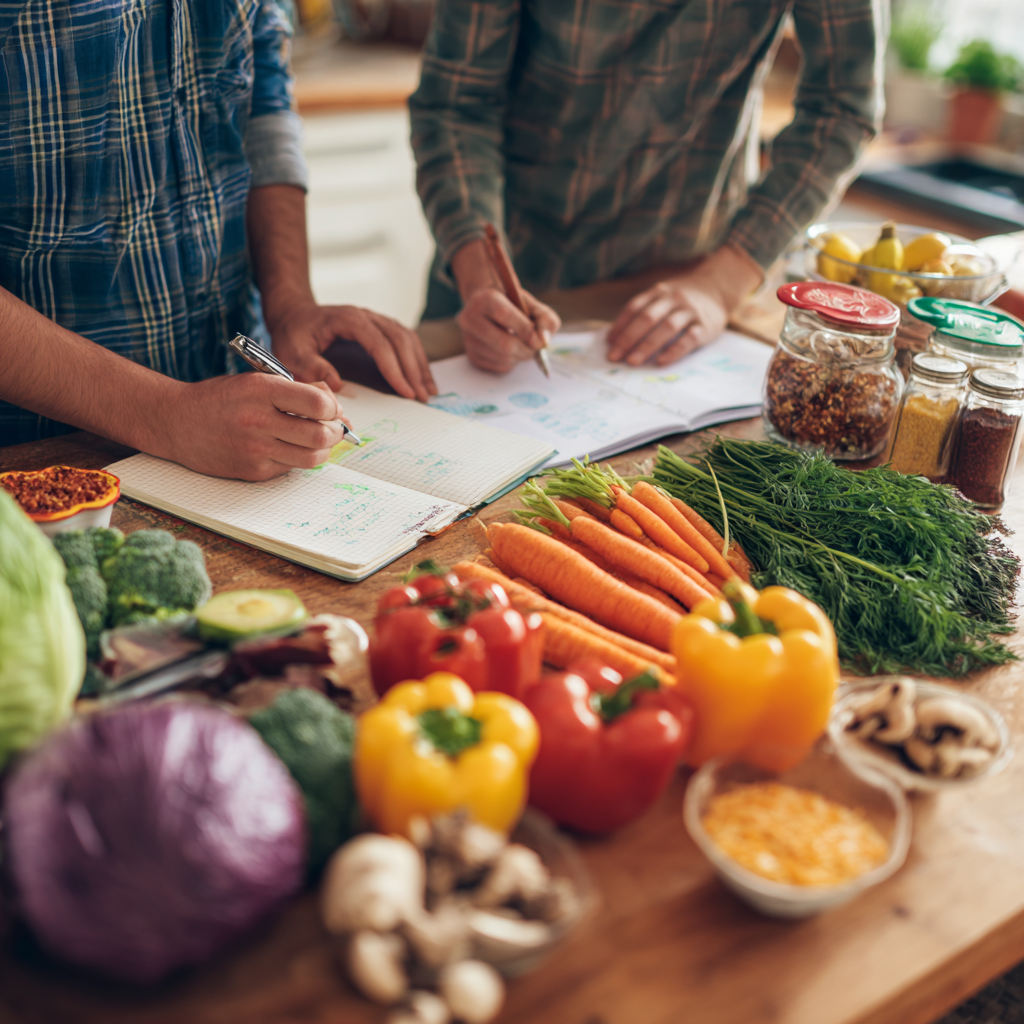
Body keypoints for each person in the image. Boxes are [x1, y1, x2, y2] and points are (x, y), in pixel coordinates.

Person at [0, 0, 435, 480]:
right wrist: (166, 415)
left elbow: (264, 91)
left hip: (233, 416)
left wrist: (289, 302)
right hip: (39, 455)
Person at [410, 0, 886, 373]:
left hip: (685, 284)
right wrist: (482, 277)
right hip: (498, 270)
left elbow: (842, 110)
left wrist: (719, 285)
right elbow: (456, 104)